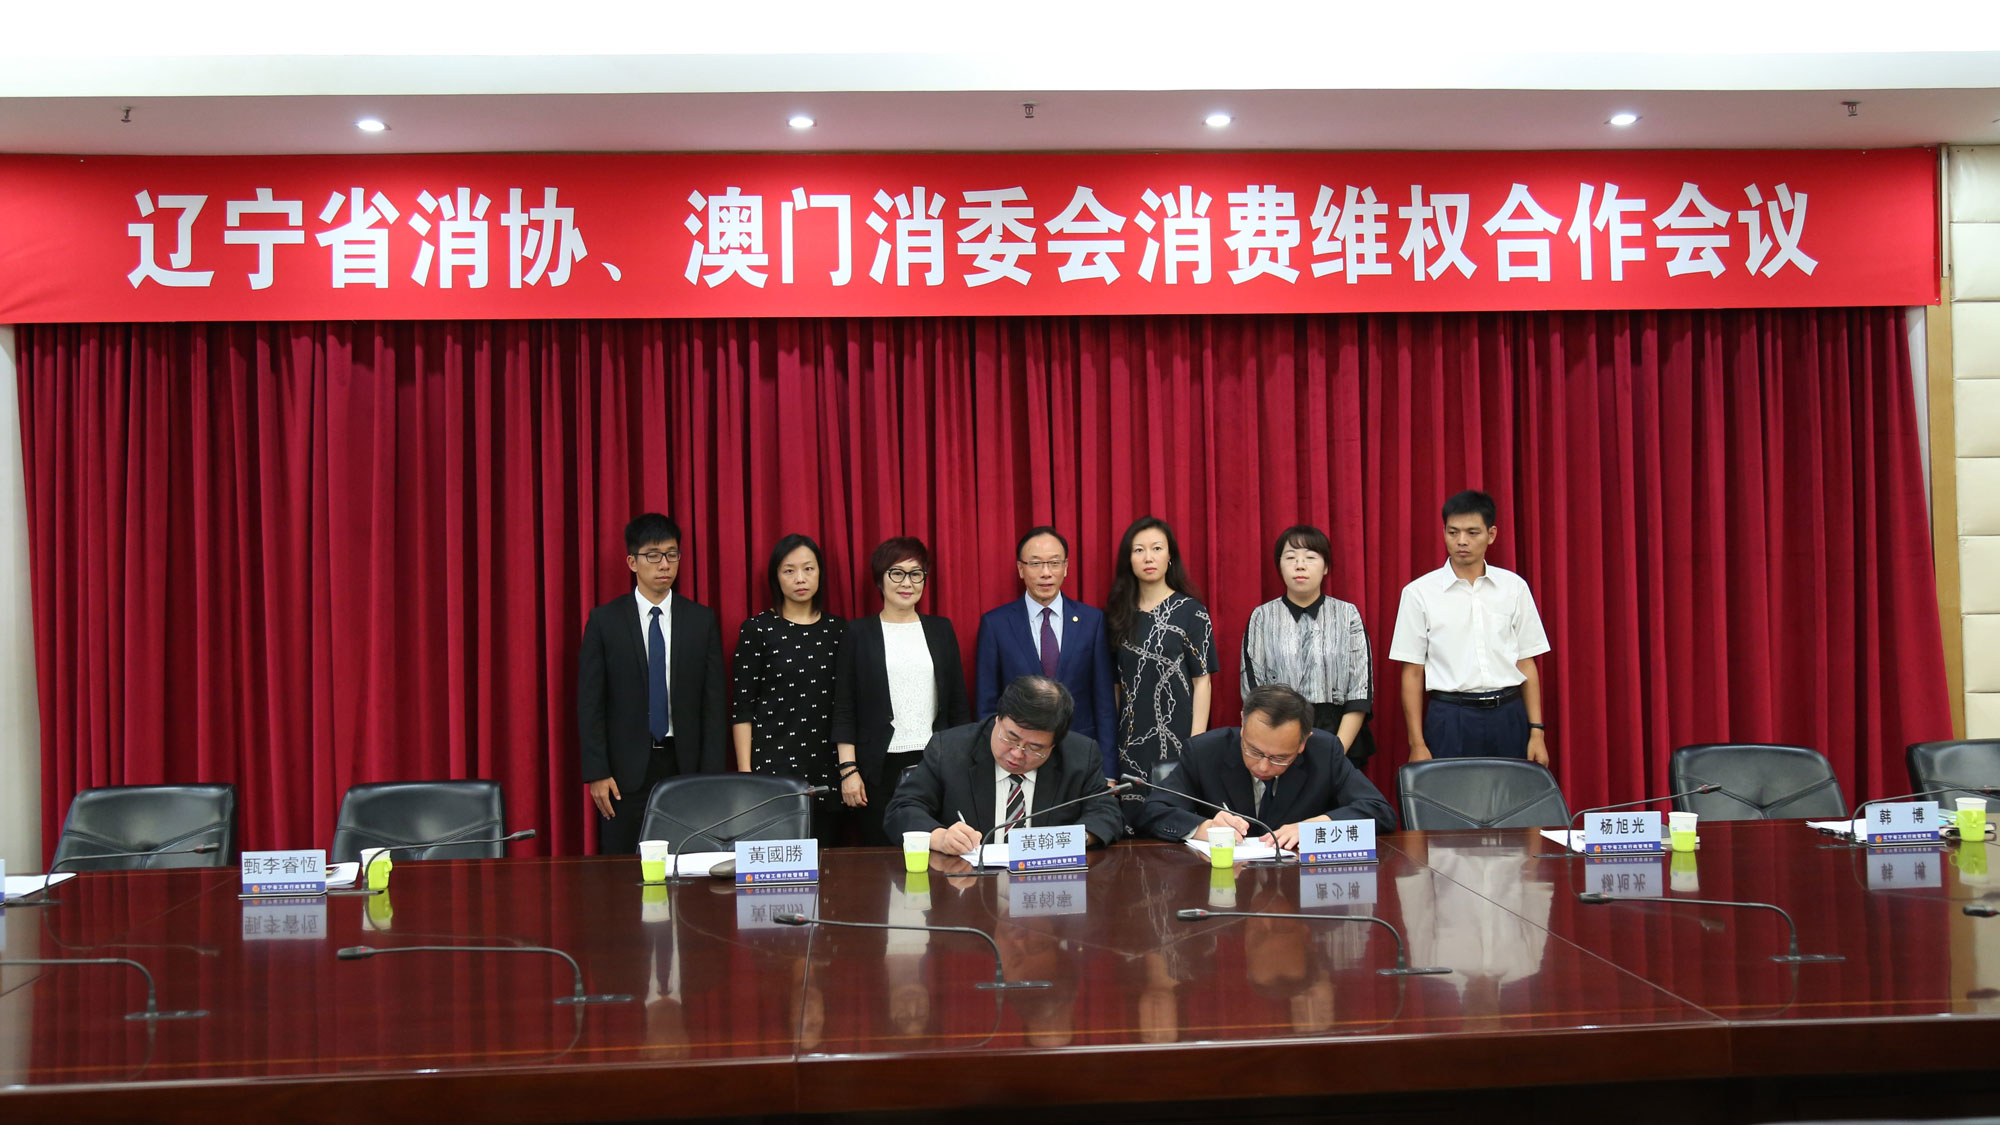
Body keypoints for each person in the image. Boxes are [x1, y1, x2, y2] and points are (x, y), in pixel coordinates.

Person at [577, 512, 727, 854]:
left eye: (672, 554)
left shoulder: (701, 620)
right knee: (623, 870)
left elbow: (714, 704)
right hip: (624, 773)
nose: (664, 564)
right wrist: (597, 772)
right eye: (653, 555)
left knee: (689, 865)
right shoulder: (605, 621)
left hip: (685, 766)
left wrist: (712, 776)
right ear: (632, 562)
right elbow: (591, 702)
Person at [1388, 489, 1551, 764]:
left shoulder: (1513, 587)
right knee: (1451, 792)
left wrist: (1536, 732)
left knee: (1510, 791)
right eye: (1453, 532)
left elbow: (1526, 662)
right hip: (1450, 717)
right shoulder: (1419, 593)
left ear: (1491, 534)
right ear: (1444, 532)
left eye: (1472, 533)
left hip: (1508, 714)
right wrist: (1417, 743)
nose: (1461, 541)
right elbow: (1413, 672)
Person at [831, 536, 972, 845]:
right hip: (876, 768)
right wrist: (848, 770)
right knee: (881, 857)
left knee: (936, 849)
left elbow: (958, 704)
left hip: (934, 761)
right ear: (879, 579)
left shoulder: (941, 629)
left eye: (916, 573)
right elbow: (844, 706)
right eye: (896, 573)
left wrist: (962, 766)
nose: (907, 582)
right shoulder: (857, 633)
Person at [1132, 683, 1396, 846]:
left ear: (1303, 743)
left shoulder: (1324, 752)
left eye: (1280, 758)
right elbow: (1151, 812)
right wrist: (1203, 828)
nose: (1263, 767)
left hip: (1296, 889)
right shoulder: (1204, 752)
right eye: (1253, 751)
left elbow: (1380, 811)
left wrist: (1316, 827)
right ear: (1243, 725)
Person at [884, 675, 1124, 852]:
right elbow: (902, 809)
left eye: (1034, 748)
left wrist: (1067, 842)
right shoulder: (949, 749)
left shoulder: (1080, 754)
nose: (1017, 754)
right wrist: (940, 837)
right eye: (1010, 738)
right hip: (966, 885)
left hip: (1045, 886)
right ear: (998, 719)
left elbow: (1106, 812)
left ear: (1054, 745)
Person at [731, 534, 847, 847]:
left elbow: (847, 704)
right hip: (772, 768)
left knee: (826, 863)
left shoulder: (838, 630)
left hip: (827, 767)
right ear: (776, 577)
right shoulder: (757, 629)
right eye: (789, 570)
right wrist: (746, 775)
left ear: (820, 573)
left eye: (808, 569)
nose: (800, 579)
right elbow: (742, 708)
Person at [973, 526, 1118, 776]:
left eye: (1054, 563)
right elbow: (987, 705)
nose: (1046, 573)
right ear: (1021, 569)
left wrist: (1108, 772)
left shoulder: (1092, 621)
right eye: (1036, 563)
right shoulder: (996, 624)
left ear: (1066, 567)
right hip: (1019, 757)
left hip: (1079, 755)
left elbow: (1104, 703)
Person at [1240, 524, 1377, 767]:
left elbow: (1360, 689)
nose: (1300, 565)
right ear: (1279, 566)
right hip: (1277, 736)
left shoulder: (1348, 615)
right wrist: (1280, 746)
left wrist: (1336, 752)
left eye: (1310, 557)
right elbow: (1253, 690)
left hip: (1339, 734)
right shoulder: (1262, 617)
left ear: (1325, 567)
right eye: (1290, 557)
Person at [1107, 516, 1215, 822]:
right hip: (1130, 740)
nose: (1148, 557)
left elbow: (1203, 681)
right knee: (1131, 824)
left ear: (1170, 556)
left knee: (1174, 820)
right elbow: (1115, 685)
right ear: (1128, 559)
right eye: (1138, 550)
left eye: (1156, 548)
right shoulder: (1116, 614)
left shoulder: (1192, 611)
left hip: (1178, 737)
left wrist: (1196, 743)